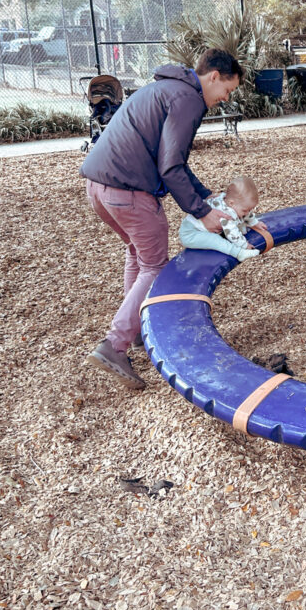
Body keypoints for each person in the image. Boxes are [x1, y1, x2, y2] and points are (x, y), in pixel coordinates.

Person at [80, 49, 243, 390]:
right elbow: (170, 167)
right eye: (227, 89)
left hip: (98, 187)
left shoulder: (166, 88)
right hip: (128, 191)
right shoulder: (188, 99)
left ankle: (137, 329)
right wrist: (203, 212)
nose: (226, 98)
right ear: (213, 76)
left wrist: (207, 195)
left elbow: (174, 161)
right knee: (154, 266)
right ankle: (114, 344)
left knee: (138, 256)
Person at [179, 175, 267, 260]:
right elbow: (232, 234)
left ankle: (241, 230)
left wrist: (255, 223)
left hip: (196, 228)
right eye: (245, 210)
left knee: (238, 219)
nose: (247, 213)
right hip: (190, 234)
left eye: (249, 210)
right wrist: (244, 245)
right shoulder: (225, 214)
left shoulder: (230, 201)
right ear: (231, 203)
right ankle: (239, 253)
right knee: (215, 240)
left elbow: (248, 213)